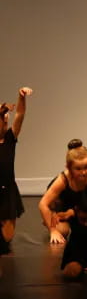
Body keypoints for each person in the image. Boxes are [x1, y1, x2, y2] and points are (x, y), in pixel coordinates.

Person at [38, 139, 87, 244]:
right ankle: (51, 219)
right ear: (69, 168)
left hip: (81, 208)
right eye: (78, 169)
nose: (83, 172)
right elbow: (43, 204)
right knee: (63, 231)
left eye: (86, 167)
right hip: (64, 208)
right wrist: (53, 230)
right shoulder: (63, 180)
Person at [0, 87, 33, 255]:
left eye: (6, 119)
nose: (6, 121)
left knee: (5, 241)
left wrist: (21, 97)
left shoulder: (10, 139)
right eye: (2, 119)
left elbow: (20, 115)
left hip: (7, 191)